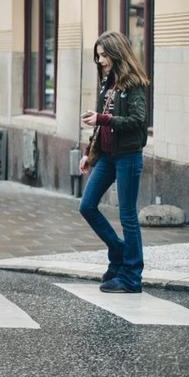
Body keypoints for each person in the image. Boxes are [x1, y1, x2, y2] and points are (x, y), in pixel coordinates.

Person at [78, 31, 150, 293]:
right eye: (98, 57)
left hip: (128, 155)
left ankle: (131, 277)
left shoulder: (134, 83)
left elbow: (137, 121)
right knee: (87, 206)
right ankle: (119, 252)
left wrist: (102, 118)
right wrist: (88, 153)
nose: (101, 61)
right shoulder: (106, 83)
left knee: (127, 216)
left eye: (104, 55)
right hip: (107, 156)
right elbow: (98, 127)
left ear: (117, 53)